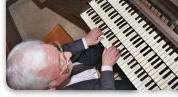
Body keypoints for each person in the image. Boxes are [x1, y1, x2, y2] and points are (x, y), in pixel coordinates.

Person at [6, 28, 135, 90]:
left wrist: (85, 41)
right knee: (136, 87)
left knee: (106, 41)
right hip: (99, 88)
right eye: (61, 63)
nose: (68, 55)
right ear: (50, 89)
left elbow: (64, 50)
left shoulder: (59, 59)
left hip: (84, 64)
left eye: (57, 51)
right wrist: (107, 67)